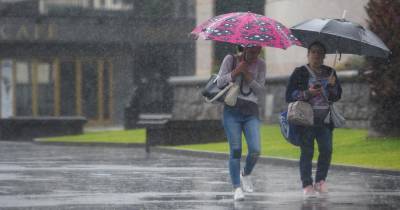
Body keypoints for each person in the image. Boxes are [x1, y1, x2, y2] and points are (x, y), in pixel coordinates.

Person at [285, 41, 342, 197]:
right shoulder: (300, 72)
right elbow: (289, 95)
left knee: (327, 150)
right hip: (306, 120)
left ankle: (320, 181)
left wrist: (332, 86)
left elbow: (337, 96)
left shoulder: (331, 72)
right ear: (308, 54)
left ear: (324, 56)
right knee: (307, 152)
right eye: (313, 52)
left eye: (320, 52)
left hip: (325, 121)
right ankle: (307, 184)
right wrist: (307, 93)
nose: (316, 55)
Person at [216, 45, 266, 201]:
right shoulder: (230, 59)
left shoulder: (261, 64)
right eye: (251, 51)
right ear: (244, 47)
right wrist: (236, 71)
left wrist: (248, 75)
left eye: (258, 51)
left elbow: (260, 91)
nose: (255, 54)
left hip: (251, 111)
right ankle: (237, 188)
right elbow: (219, 82)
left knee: (255, 149)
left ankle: (246, 173)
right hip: (232, 110)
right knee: (236, 149)